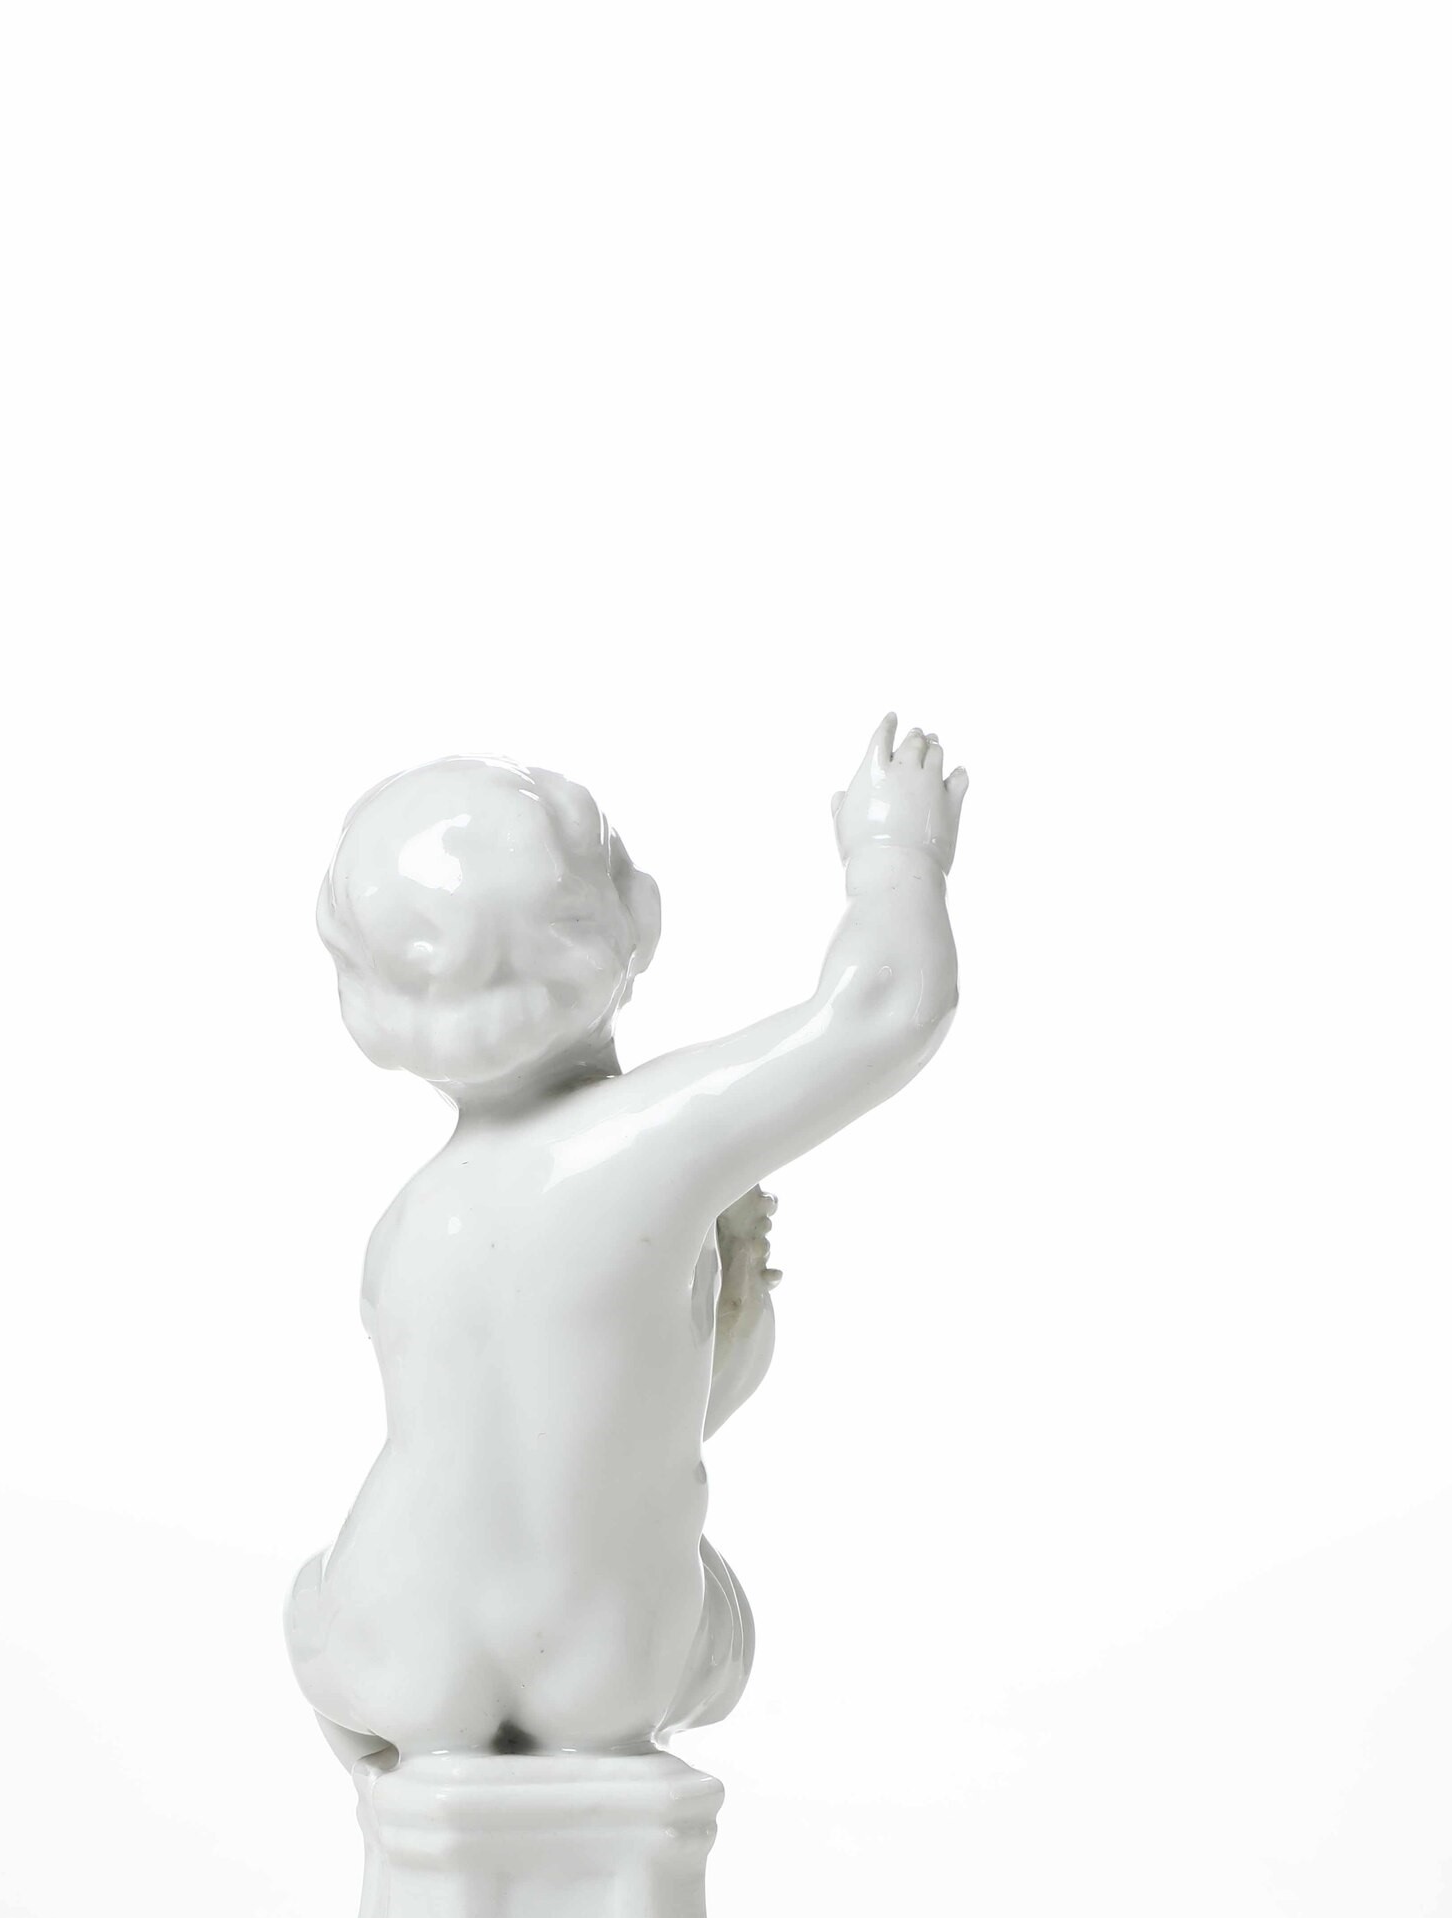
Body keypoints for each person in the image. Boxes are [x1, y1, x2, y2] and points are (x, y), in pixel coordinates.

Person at [286, 717, 966, 1762]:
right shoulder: (652, 1140)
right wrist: (893, 850)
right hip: (611, 1658)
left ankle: (409, 1791)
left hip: (396, 1645)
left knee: (317, 1605)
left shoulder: (406, 1229)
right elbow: (883, 1009)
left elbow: (525, 1435)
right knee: (705, 1611)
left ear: (364, 1000)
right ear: (634, 919)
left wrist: (720, 1306)